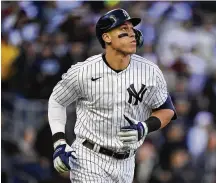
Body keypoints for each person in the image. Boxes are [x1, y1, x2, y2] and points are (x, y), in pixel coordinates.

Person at [48, 8, 176, 183]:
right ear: (107, 37)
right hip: (89, 157)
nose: (132, 34)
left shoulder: (150, 71)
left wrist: (145, 127)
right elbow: (57, 101)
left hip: (127, 163)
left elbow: (166, 110)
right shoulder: (84, 71)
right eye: (124, 30)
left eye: (132, 29)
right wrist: (59, 143)